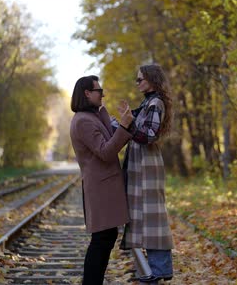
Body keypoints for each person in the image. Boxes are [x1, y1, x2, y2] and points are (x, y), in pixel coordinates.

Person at [69, 75, 134, 285]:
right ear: (87, 93)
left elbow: (110, 138)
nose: (102, 94)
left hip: (104, 186)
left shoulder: (92, 117)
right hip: (100, 188)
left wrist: (120, 121)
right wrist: (124, 127)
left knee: (105, 237)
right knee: (101, 240)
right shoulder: (83, 121)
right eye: (99, 90)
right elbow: (106, 152)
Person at [121, 64, 174, 283]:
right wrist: (123, 119)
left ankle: (159, 271)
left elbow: (148, 135)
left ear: (151, 79)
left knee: (153, 217)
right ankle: (154, 270)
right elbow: (132, 125)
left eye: (140, 79)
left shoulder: (155, 103)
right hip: (141, 165)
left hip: (147, 164)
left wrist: (129, 124)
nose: (137, 83)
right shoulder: (147, 103)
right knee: (144, 216)